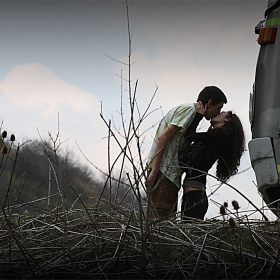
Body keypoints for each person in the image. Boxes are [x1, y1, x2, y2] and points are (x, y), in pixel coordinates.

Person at [146, 86, 227, 218]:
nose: (218, 113)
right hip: (165, 173)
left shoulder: (189, 112)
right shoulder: (189, 110)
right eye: (218, 107)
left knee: (164, 220)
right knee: (161, 221)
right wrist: (155, 171)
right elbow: (163, 138)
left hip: (167, 174)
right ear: (209, 103)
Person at [179, 110, 245, 220]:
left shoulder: (220, 135)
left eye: (221, 112)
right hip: (195, 195)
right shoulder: (217, 138)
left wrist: (198, 115)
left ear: (226, 119)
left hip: (194, 196)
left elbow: (189, 135)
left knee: (188, 231)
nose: (217, 113)